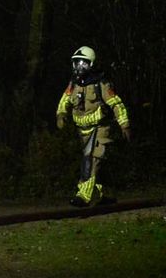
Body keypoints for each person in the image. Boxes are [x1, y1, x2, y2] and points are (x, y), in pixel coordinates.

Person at [56, 46, 131, 206]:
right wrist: (61, 114)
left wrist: (124, 124)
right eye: (76, 63)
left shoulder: (101, 84)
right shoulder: (74, 83)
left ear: (91, 65)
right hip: (82, 130)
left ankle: (83, 196)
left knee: (90, 160)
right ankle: (105, 194)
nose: (79, 67)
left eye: (83, 64)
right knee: (98, 164)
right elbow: (65, 99)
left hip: (100, 128)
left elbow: (116, 104)